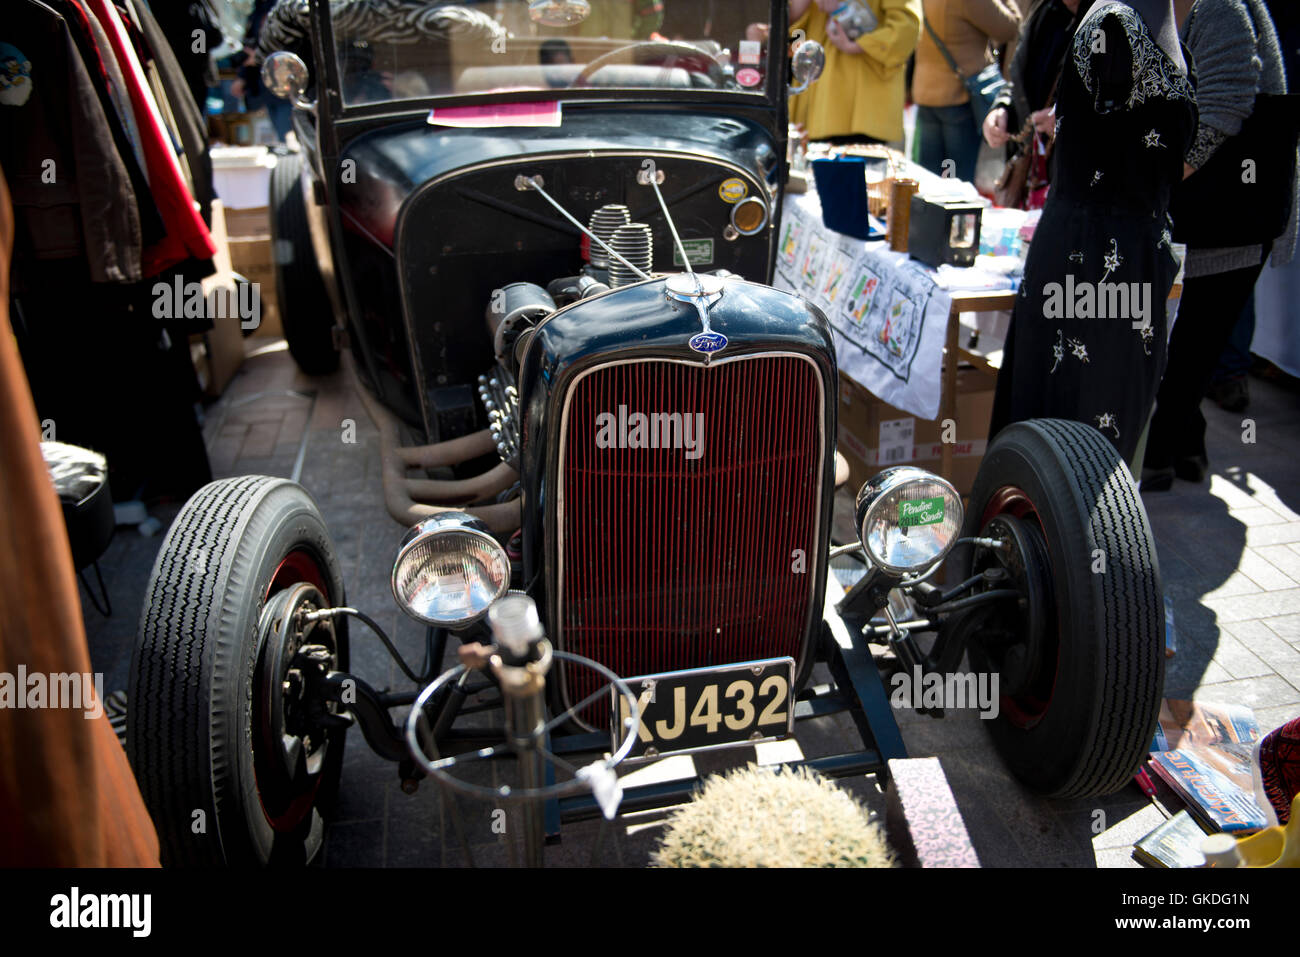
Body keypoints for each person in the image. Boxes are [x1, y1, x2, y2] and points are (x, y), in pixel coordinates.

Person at [987, 0, 1196, 467]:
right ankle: (1057, 536)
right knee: (1075, 435)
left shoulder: (1146, 20)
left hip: (1114, 251)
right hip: (1096, 260)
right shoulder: (1113, 22)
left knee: (1099, 429)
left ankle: (1083, 534)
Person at [1142, 0, 1293, 490]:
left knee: (1193, 346)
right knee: (1187, 345)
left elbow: (1227, 104)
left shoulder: (1221, 8)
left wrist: (1167, 174)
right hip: (1207, 214)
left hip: (1231, 214)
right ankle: (1186, 445)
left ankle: (1161, 455)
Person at [983, 0, 1094, 208]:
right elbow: (1020, 81)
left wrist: (1066, 118)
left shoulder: (1108, 21)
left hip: (1075, 186)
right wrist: (1003, 108)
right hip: (1031, 173)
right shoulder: (1046, 11)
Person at [912, 0, 1022, 182]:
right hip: (958, 95)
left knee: (930, 180)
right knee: (956, 184)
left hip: (927, 91)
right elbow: (1010, 27)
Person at [789, 0, 923, 145]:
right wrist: (794, 9)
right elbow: (789, 34)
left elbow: (906, 30)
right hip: (810, 113)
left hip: (861, 110)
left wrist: (844, 10)